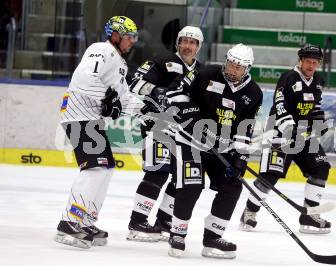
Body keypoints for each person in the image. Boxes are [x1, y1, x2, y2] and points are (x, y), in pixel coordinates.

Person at [54, 16, 152, 249]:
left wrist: (148, 111)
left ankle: (86, 220)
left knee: (106, 167)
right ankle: (69, 221)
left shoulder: (119, 63)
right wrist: (108, 98)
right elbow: (84, 78)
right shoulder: (101, 50)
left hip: (91, 120)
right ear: (116, 35)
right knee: (95, 167)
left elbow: (124, 98)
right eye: (129, 37)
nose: (132, 42)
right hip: (79, 116)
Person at [167, 43, 263, 259]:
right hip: (190, 141)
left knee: (233, 185)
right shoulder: (204, 73)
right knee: (191, 185)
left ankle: (213, 238)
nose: (233, 70)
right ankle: (178, 233)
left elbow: (245, 127)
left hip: (223, 147)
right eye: (231, 64)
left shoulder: (253, 92)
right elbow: (175, 93)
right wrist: (192, 118)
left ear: (248, 69)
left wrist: (240, 157)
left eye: (239, 67)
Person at [239, 43, 332, 234]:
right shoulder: (288, 78)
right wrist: (291, 130)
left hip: (303, 136)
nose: (311, 66)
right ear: (300, 60)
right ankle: (249, 212)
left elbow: (315, 107)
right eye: (308, 61)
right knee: (269, 177)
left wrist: (318, 123)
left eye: (315, 62)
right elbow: (280, 106)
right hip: (280, 134)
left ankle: (310, 216)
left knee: (321, 167)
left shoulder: (318, 81)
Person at [126, 26, 204, 242]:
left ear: (199, 46)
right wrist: (156, 90)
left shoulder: (201, 71)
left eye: (193, 42)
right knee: (157, 172)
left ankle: (163, 220)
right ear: (178, 43)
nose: (188, 46)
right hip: (157, 125)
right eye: (184, 41)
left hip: (183, 132)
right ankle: (138, 221)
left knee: (179, 177)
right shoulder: (162, 60)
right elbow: (134, 82)